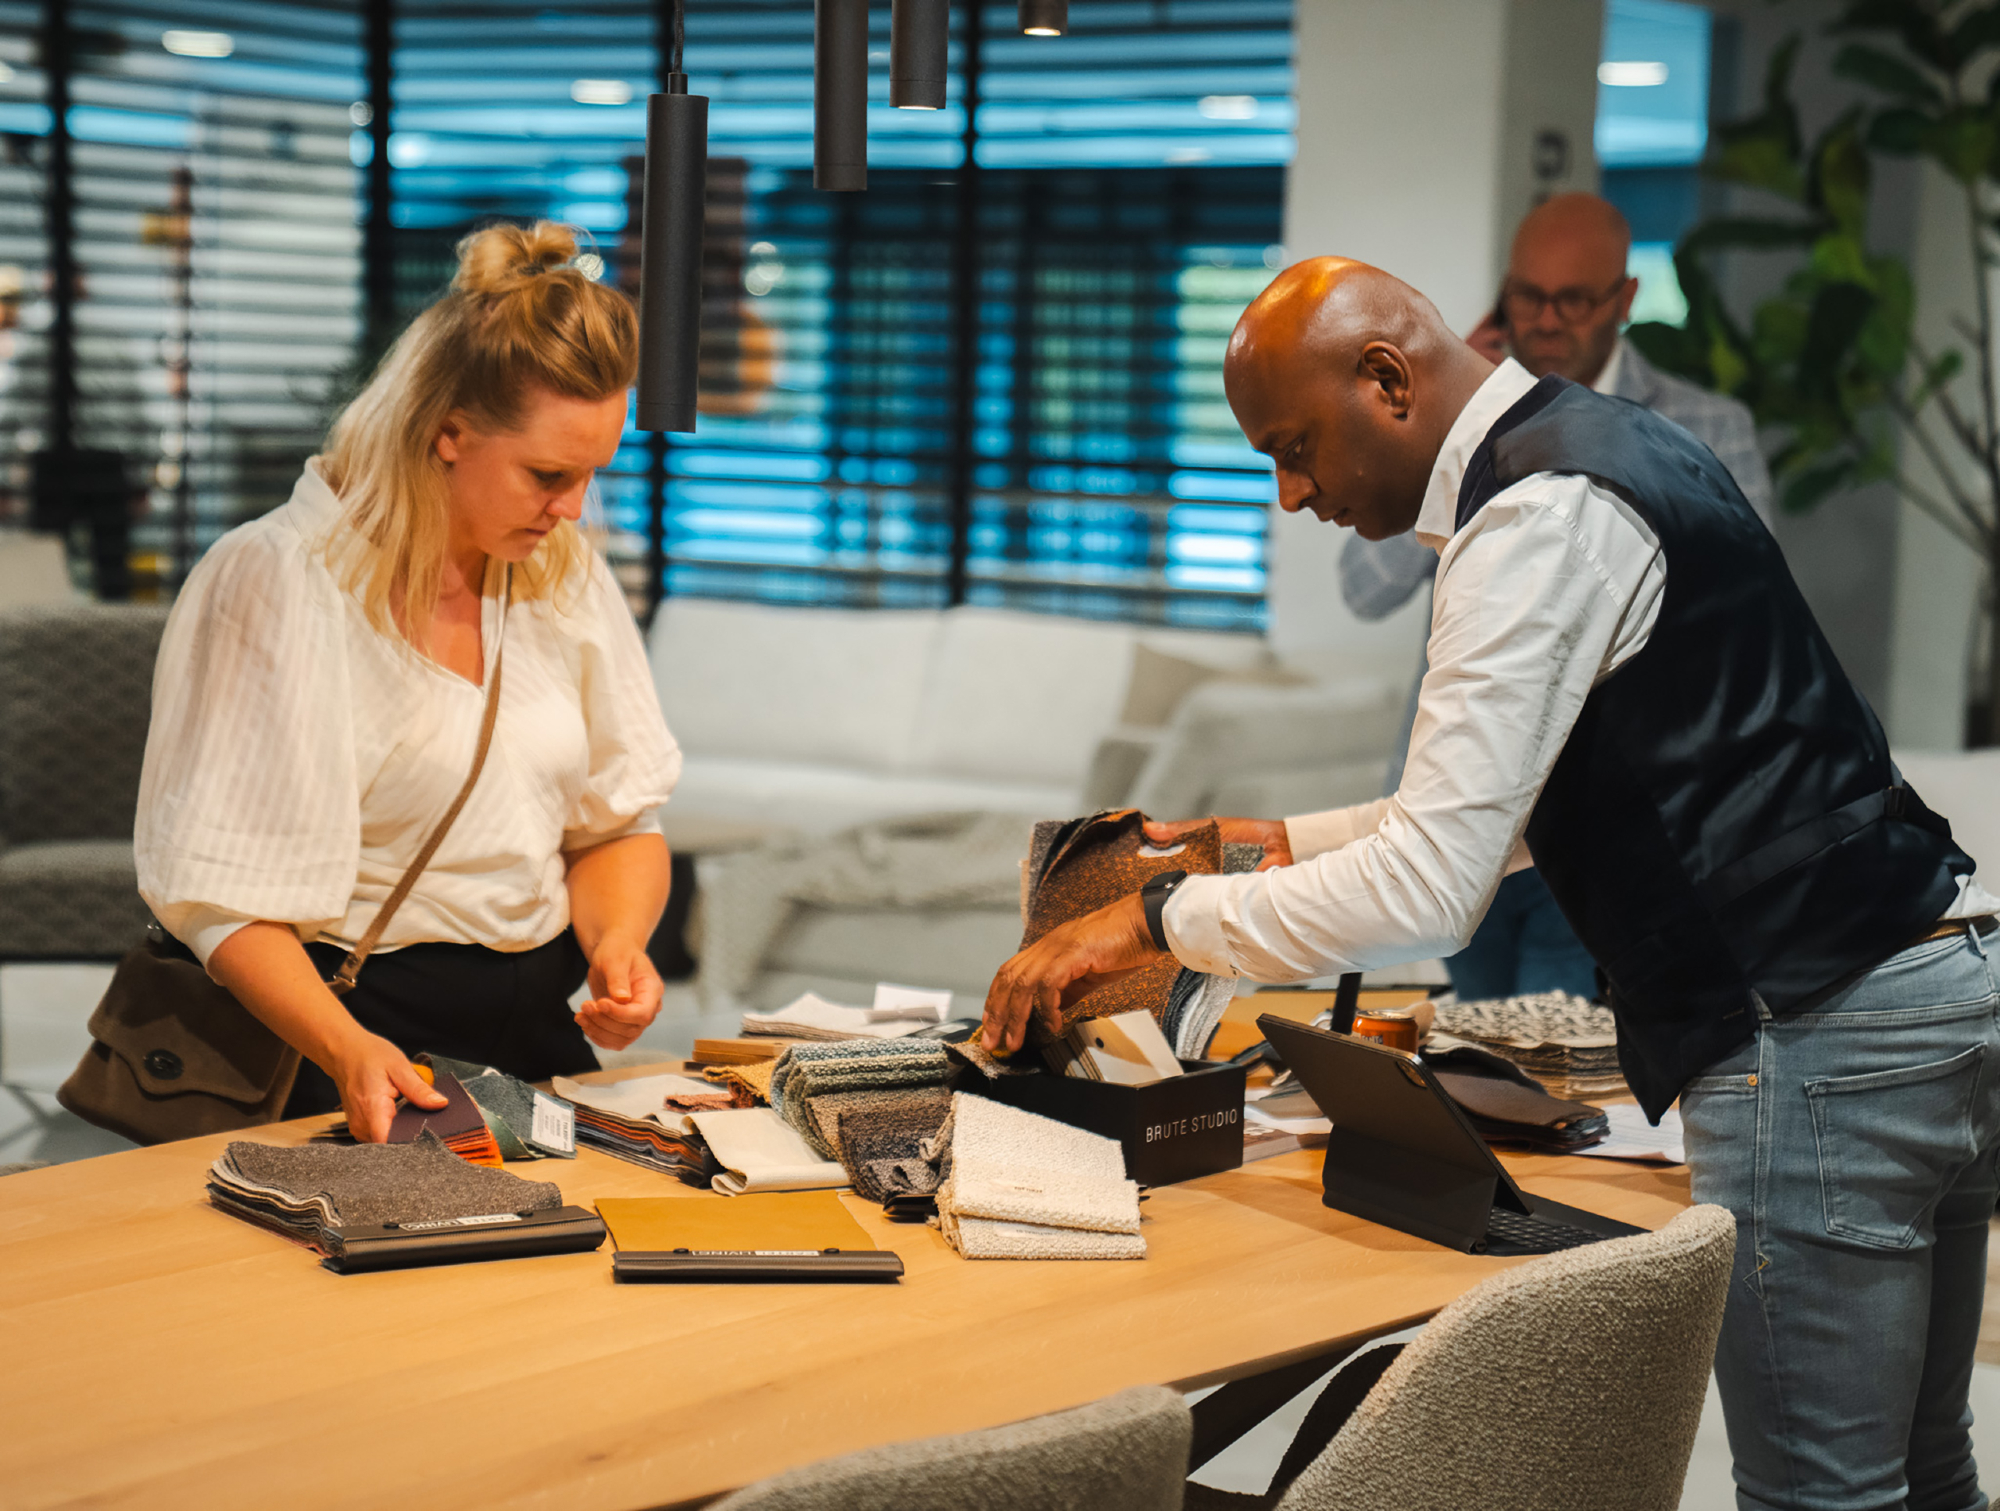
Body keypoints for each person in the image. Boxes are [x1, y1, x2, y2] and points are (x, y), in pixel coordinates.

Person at [982, 256, 1998, 1511]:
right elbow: (1554, 788)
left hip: (1811, 1029)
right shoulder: (1610, 449)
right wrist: (1278, 837)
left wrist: (1155, 919)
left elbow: (1431, 884)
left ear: (1387, 380)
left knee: (1817, 1491)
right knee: (1926, 1467)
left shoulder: (1532, 519)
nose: (1291, 493)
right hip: (1928, 988)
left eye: (1294, 447)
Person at [135, 221, 682, 1142]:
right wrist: (346, 1045)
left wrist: (617, 945)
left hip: (535, 1030)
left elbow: (617, 822)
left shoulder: (564, 572)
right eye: (548, 474)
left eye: (593, 474)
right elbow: (215, 899)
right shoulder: (276, 578)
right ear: (446, 435)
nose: (574, 509)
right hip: (332, 1036)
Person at [1346, 192, 1774, 1003]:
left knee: (1557, 1061)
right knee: (1479, 1052)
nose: (1545, 319)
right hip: (1465, 805)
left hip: (1608, 814)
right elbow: (1363, 590)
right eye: (1526, 295)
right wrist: (1437, 436)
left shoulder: (1706, 426)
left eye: (1572, 299)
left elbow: (1732, 620)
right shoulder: (1459, 421)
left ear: (1624, 299)